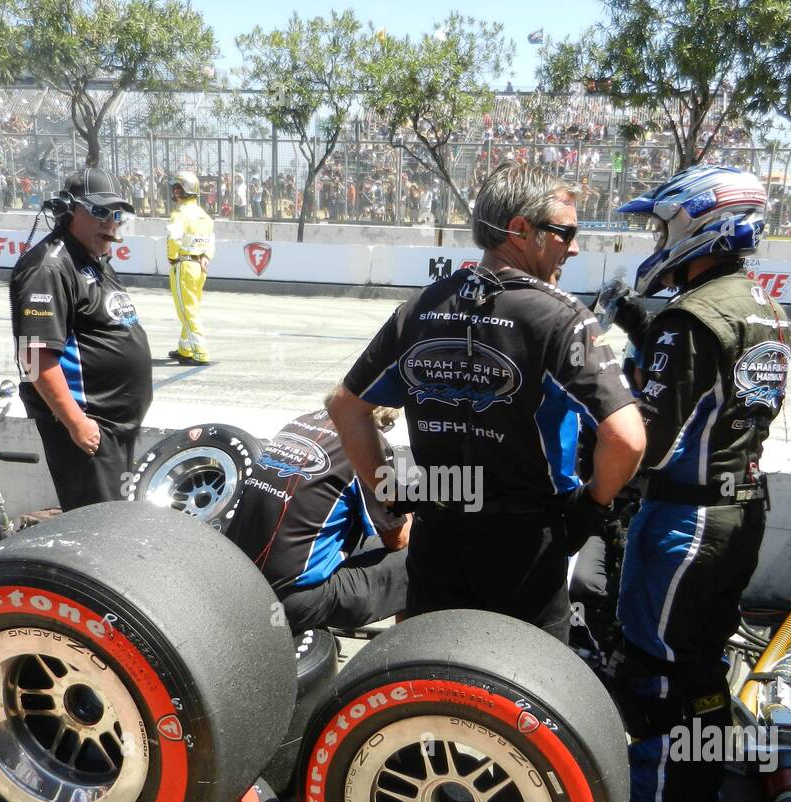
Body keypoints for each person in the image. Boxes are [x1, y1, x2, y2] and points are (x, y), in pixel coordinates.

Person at [328, 162, 645, 643]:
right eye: (565, 233)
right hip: (526, 547)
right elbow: (627, 438)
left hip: (436, 535)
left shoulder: (420, 308)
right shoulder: (562, 318)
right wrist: (591, 507)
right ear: (521, 230)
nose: (575, 247)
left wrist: (389, 492)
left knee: (433, 684)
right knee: (525, 698)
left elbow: (344, 407)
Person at [611, 164, 791, 802]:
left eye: (663, 225)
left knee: (651, 675)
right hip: (744, 513)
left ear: (697, 225)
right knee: (705, 669)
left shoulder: (689, 321)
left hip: (684, 524)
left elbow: (646, 443)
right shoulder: (767, 310)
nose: (658, 238)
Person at [9, 167, 153, 511]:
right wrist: (76, 423)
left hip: (114, 426)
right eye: (100, 211)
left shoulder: (92, 259)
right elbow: (34, 356)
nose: (111, 222)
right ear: (68, 210)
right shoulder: (48, 268)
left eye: (117, 214)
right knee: (100, 528)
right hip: (89, 428)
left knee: (115, 521)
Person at [226, 401, 410, 634]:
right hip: (290, 603)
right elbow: (399, 539)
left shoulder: (300, 422)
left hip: (239, 585)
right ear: (385, 419)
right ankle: (403, 657)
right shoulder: (367, 443)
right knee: (421, 557)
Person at [165, 170, 216, 366]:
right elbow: (211, 242)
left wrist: (171, 256)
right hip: (200, 266)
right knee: (192, 308)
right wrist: (205, 256)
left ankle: (200, 352)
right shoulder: (204, 216)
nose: (173, 192)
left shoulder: (180, 215)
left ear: (179, 191)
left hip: (184, 265)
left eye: (175, 188)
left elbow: (174, 238)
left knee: (187, 312)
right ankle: (185, 349)